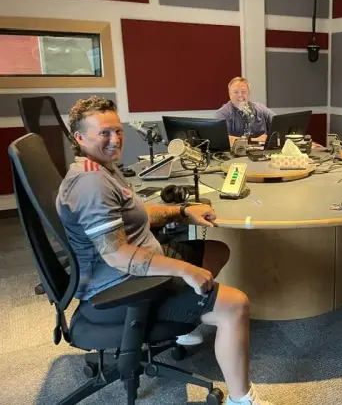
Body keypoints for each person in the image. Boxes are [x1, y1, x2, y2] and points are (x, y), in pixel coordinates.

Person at [56, 96, 274, 405]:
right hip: (120, 286)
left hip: (136, 265)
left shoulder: (102, 168)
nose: (115, 139)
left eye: (117, 130)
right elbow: (117, 255)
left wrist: (183, 211)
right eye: (103, 133)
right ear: (79, 138)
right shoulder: (92, 183)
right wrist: (186, 270)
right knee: (236, 305)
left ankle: (185, 324)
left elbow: (137, 211)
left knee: (214, 251)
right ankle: (242, 399)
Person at [215, 77, 276, 144]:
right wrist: (256, 141)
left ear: (248, 93)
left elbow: (278, 125)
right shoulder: (222, 113)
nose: (240, 95)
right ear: (230, 94)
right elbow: (225, 140)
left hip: (263, 153)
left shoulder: (261, 109)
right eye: (236, 92)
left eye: (243, 92)